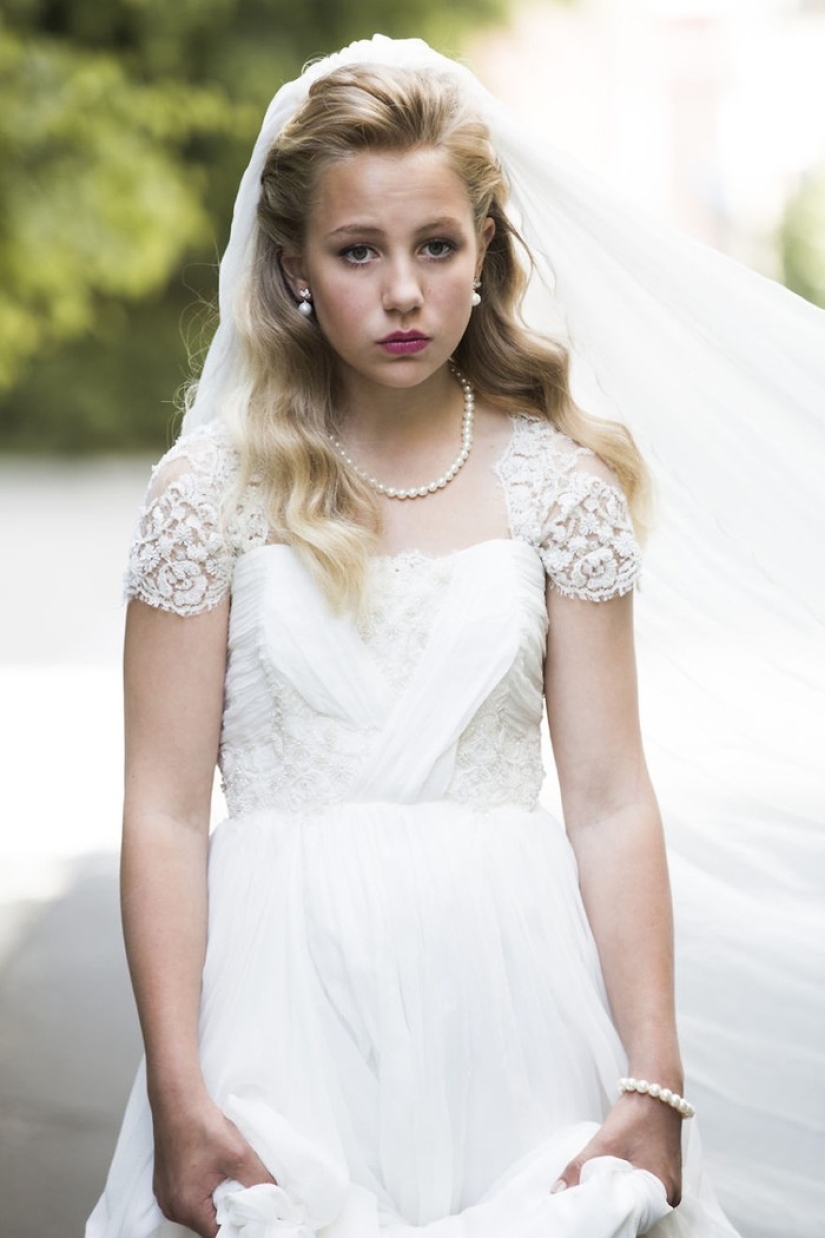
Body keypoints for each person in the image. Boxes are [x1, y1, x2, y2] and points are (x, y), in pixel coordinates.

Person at [87, 34, 825, 1238]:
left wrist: (653, 1074)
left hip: (515, 1003)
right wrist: (177, 1086)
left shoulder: (557, 486)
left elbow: (609, 796)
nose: (402, 290)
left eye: (436, 245)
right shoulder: (206, 489)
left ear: (485, 253)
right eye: (358, 250)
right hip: (280, 1002)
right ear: (294, 269)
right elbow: (163, 810)